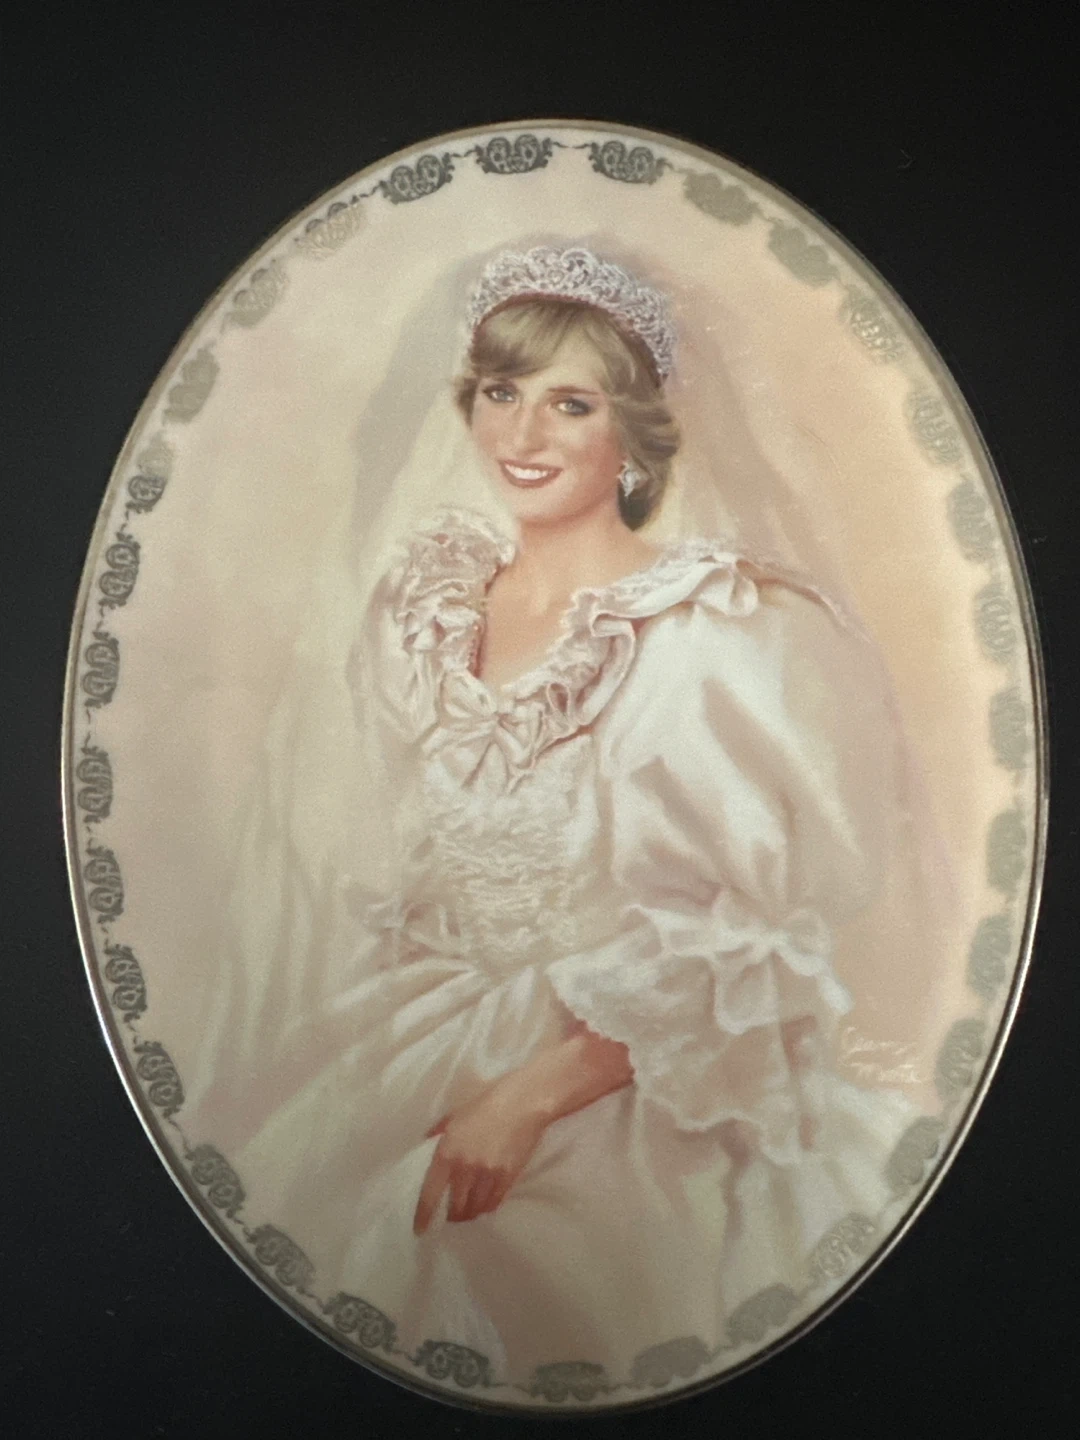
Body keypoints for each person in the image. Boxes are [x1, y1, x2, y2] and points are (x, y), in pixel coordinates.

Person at [212, 247, 927, 1387]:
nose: (524, 434)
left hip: (630, 1067)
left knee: (487, 1256)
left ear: (631, 432)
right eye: (503, 392)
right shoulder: (428, 605)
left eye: (571, 403)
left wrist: (523, 1100)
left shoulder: (707, 635)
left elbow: (728, 941)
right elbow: (392, 859)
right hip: (440, 1021)